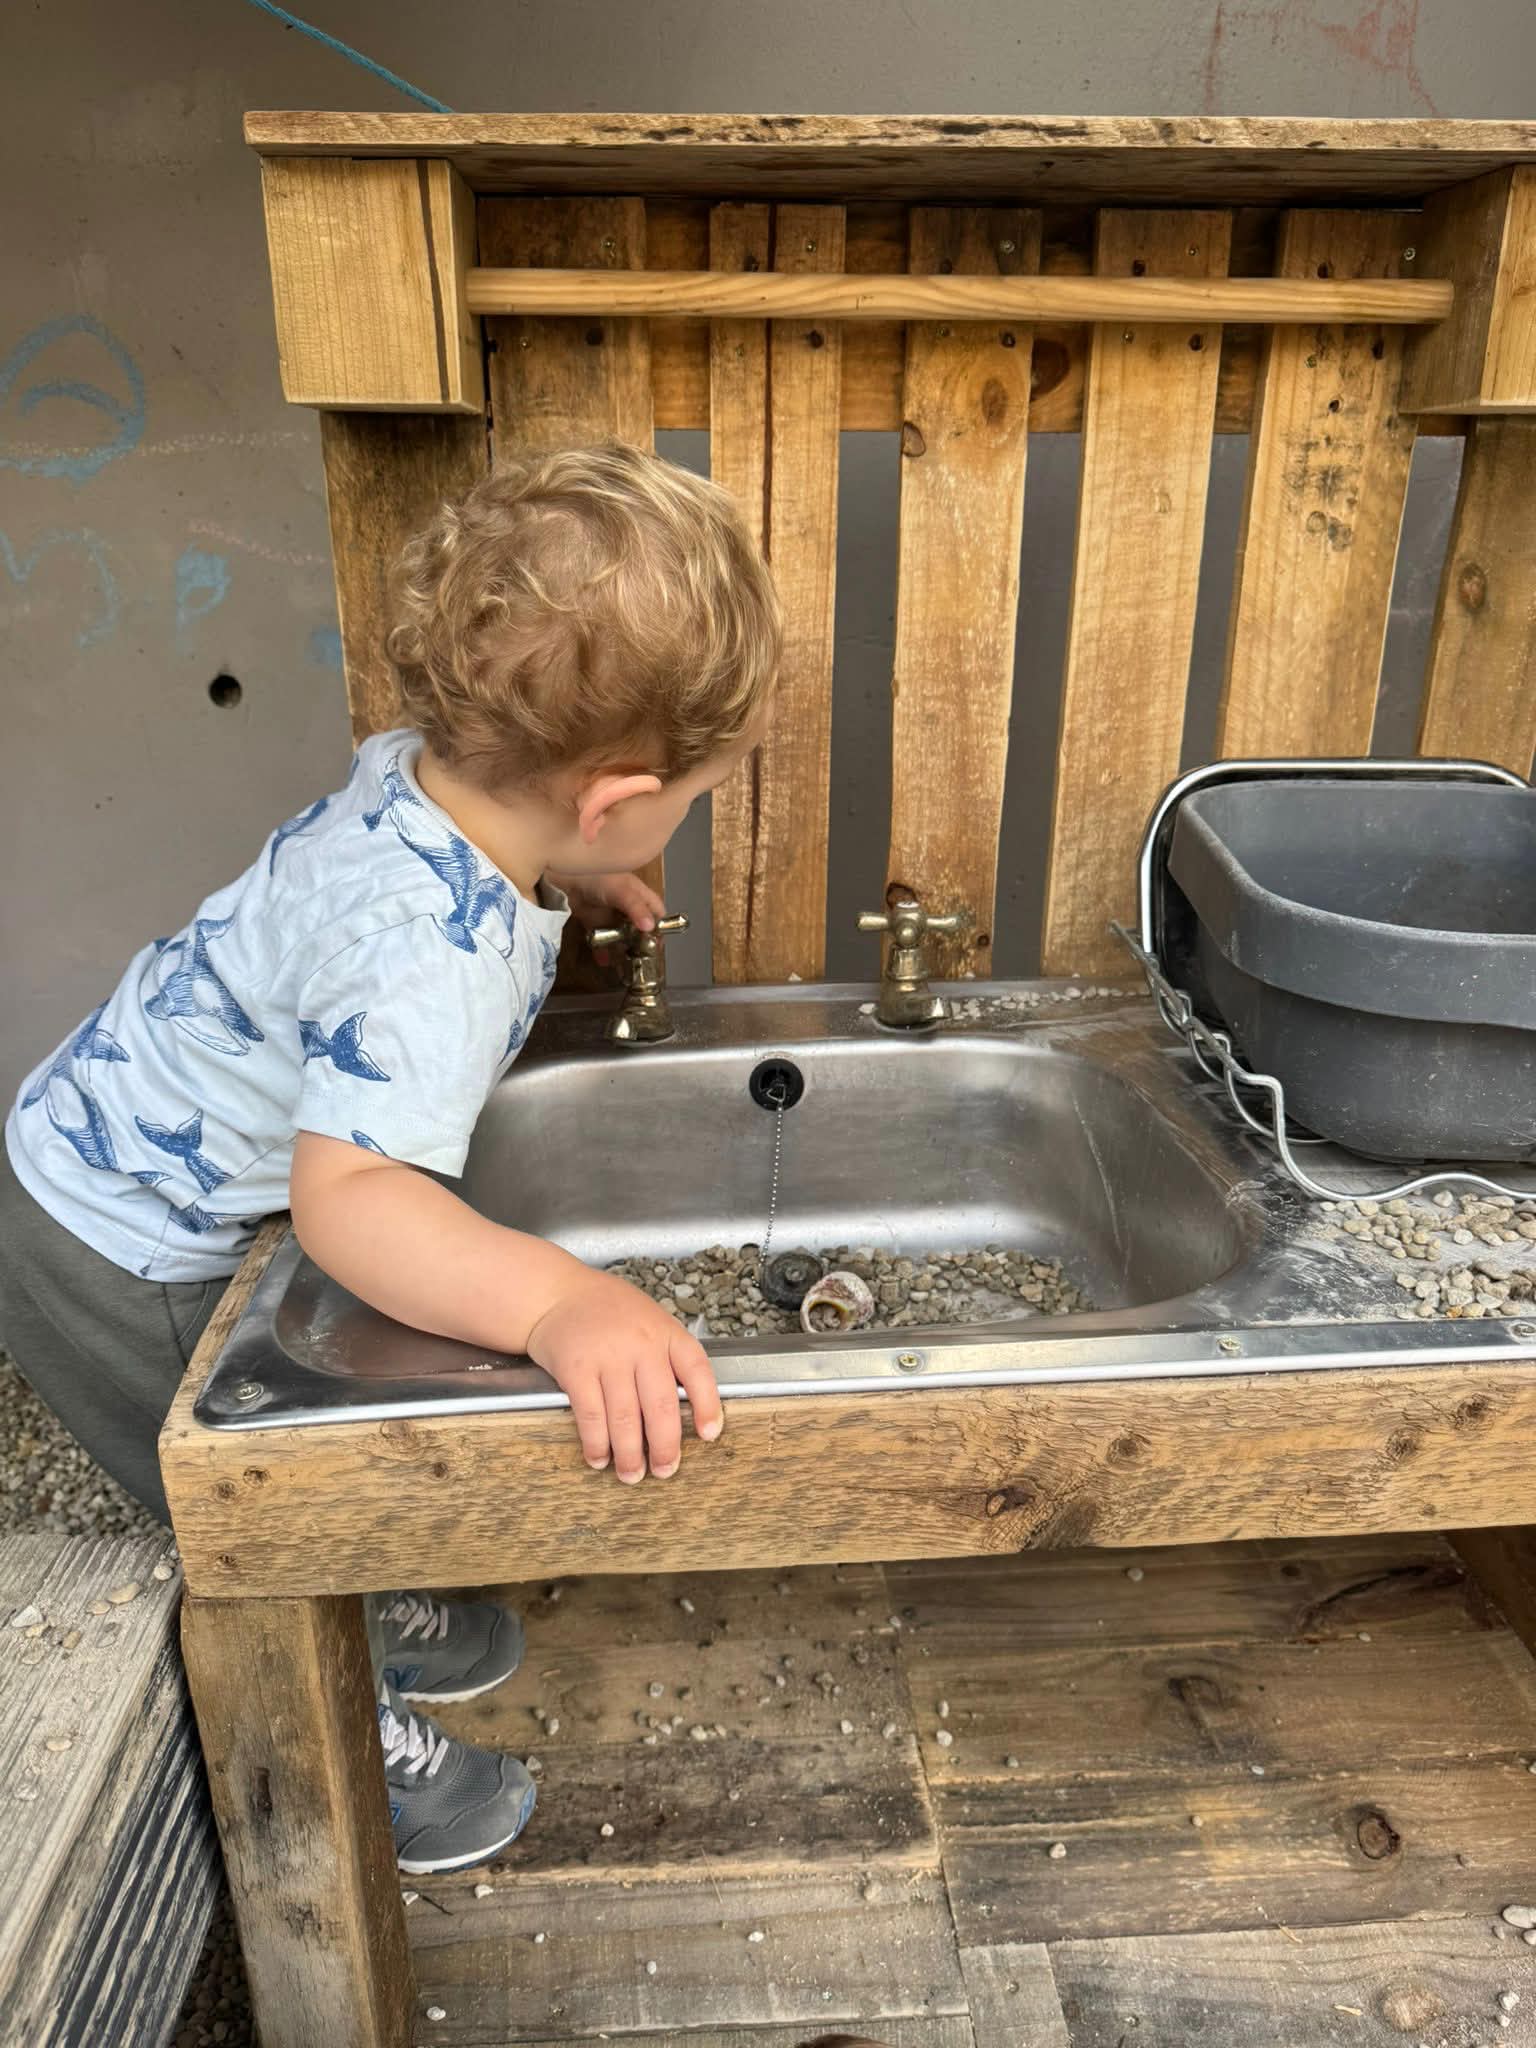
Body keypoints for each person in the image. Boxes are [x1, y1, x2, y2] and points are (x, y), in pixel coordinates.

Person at [0, 441, 781, 1873]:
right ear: (614, 798)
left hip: (92, 1131)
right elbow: (351, 1199)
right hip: (116, 1242)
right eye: (695, 792)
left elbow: (464, 849)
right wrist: (561, 1304)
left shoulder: (425, 775)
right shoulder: (436, 958)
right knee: (238, 1510)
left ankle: (380, 1619)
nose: (691, 812)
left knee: (291, 1467)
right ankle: (353, 1725)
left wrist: (573, 870)